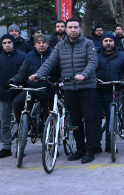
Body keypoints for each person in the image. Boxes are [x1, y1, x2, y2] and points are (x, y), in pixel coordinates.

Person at [31, 18, 100, 162]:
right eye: (70, 27)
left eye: (75, 27)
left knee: (89, 120)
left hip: (86, 87)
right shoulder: (60, 46)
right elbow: (50, 62)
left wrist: (84, 74)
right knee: (74, 122)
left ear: (79, 29)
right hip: (69, 88)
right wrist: (38, 74)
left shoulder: (89, 43)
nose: (73, 30)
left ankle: (90, 150)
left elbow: (93, 62)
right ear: (66, 29)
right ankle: (80, 149)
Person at [94, 32, 124, 153]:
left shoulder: (121, 55)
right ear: (102, 42)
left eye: (110, 41)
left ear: (114, 42)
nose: (108, 43)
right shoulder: (95, 55)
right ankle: (96, 145)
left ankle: (109, 144)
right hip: (97, 91)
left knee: (111, 120)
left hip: (113, 92)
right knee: (95, 121)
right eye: (106, 41)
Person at [0, 34, 26, 158]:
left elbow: (25, 76)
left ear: (13, 43)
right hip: (2, 96)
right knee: (4, 123)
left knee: (20, 122)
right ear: (2, 45)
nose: (7, 45)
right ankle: (6, 147)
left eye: (9, 42)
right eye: (4, 43)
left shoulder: (23, 57)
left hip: (17, 95)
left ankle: (20, 146)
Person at [9, 34, 54, 125]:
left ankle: (47, 133)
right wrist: (13, 80)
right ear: (34, 45)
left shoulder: (54, 55)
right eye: (39, 43)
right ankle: (23, 126)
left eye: (44, 42)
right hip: (32, 89)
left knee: (49, 115)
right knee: (17, 103)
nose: (41, 45)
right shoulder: (29, 56)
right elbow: (22, 73)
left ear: (48, 44)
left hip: (48, 90)